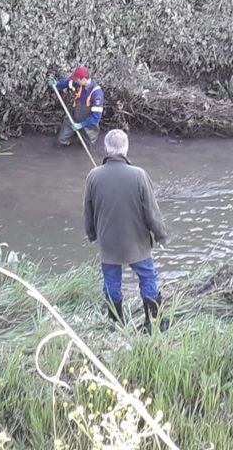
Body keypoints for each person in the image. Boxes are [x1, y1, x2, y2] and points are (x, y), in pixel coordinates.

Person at [83, 129, 170, 334]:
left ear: (106, 149)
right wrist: (161, 234)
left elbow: (88, 209)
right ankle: (153, 323)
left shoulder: (93, 176)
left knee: (111, 281)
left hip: (108, 241)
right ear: (126, 149)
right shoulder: (139, 174)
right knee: (147, 277)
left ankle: (115, 324)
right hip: (136, 241)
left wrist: (92, 234)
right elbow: (151, 210)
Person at [47, 66, 104, 147]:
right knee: (60, 142)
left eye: (77, 80)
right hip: (74, 118)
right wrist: (56, 83)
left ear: (84, 79)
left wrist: (81, 125)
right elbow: (67, 83)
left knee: (87, 146)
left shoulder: (97, 93)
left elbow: (96, 117)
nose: (75, 81)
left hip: (89, 125)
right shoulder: (78, 84)